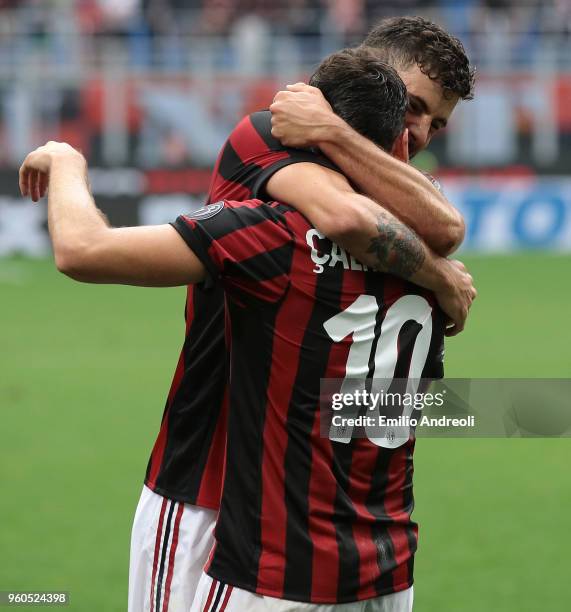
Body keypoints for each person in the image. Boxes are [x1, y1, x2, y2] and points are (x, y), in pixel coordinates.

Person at [21, 17, 477, 612]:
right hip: (230, 492)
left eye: (436, 123)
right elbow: (370, 221)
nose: (417, 131)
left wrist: (66, 162)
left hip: (277, 522)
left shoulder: (310, 225)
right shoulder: (271, 135)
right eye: (412, 106)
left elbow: (436, 227)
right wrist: (439, 275)